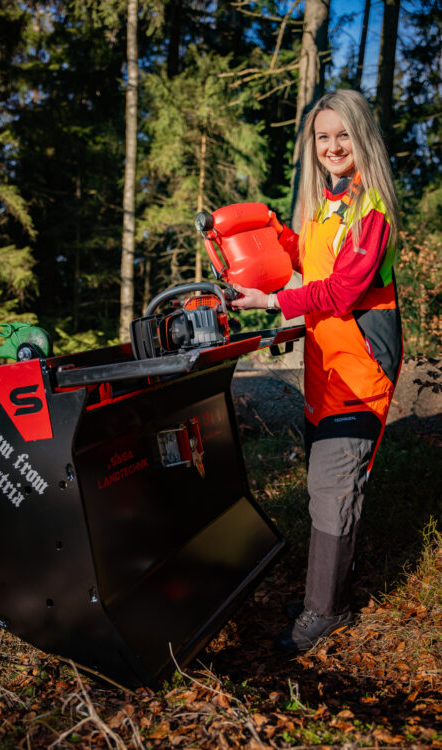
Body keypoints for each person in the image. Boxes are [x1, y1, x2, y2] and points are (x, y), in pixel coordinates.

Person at [230, 89, 403, 653]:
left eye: (343, 135)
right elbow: (303, 264)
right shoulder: (324, 206)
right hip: (325, 366)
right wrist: (264, 244)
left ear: (362, 138)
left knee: (332, 487)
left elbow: (341, 288)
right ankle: (328, 593)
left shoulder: (370, 208)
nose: (332, 146)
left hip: (359, 369)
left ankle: (323, 612)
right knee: (324, 484)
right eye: (322, 137)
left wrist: (273, 304)